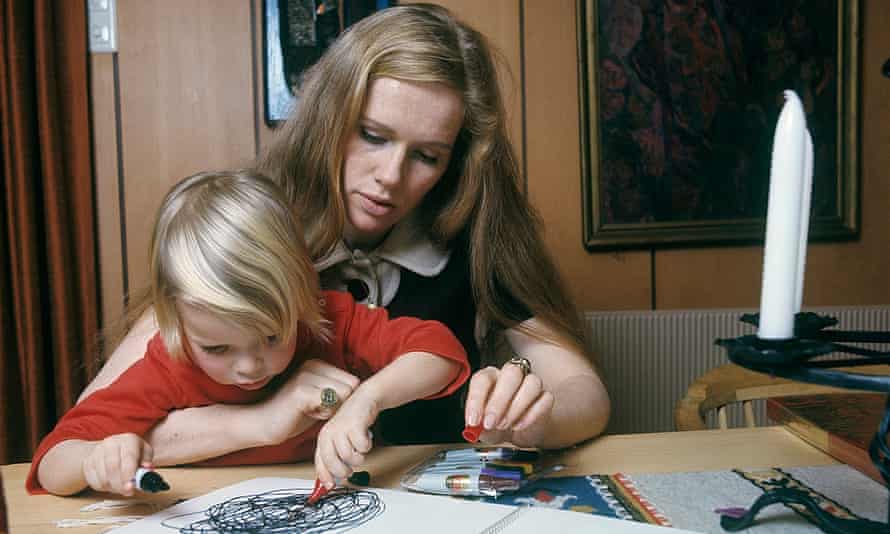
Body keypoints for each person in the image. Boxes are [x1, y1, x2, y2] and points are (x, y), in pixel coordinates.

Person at [80, 3, 609, 460]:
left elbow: (583, 392)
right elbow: (87, 436)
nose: (391, 177)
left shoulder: (475, 235)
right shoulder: (252, 234)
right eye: (373, 136)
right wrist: (263, 421)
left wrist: (533, 420)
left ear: (458, 161)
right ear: (329, 119)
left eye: (427, 156)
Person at [28, 170, 469, 496]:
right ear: (173, 319)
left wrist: (361, 404)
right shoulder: (169, 362)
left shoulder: (327, 321)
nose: (250, 366)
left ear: (302, 294)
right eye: (217, 347)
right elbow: (52, 462)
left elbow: (440, 352)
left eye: (274, 335)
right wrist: (94, 460)